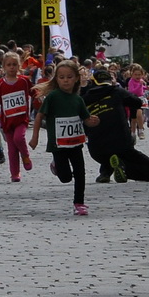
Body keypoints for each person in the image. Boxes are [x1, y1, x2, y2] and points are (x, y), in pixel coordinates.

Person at [29, 58, 97, 215]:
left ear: (76, 79)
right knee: (65, 177)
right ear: (56, 79)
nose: (66, 80)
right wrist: (35, 137)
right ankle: (56, 165)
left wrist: (94, 121)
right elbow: (39, 116)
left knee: (80, 172)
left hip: (75, 143)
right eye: (61, 77)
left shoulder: (78, 99)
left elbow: (86, 119)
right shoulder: (53, 97)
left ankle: (79, 203)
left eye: (69, 77)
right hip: (58, 144)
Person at [82, 68, 149, 185]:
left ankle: (105, 173)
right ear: (110, 81)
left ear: (93, 82)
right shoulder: (117, 91)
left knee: (108, 153)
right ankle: (123, 168)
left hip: (97, 150)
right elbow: (137, 103)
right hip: (121, 144)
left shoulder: (84, 98)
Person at [0, 51, 34, 181]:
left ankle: (25, 155)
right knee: (11, 150)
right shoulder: (0, 83)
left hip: (21, 119)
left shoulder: (24, 81)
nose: (12, 67)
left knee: (19, 138)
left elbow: (34, 92)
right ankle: (15, 173)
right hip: (7, 121)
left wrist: (41, 99)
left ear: (19, 66)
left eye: (14, 64)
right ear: (4, 66)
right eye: (9, 64)